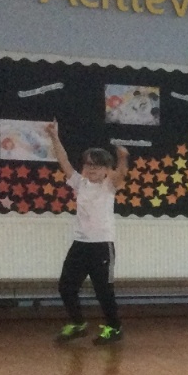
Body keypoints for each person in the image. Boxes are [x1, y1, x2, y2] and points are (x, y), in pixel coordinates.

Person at [46, 122, 127, 345]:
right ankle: (78, 324)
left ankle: (114, 328)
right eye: (89, 164)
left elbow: (121, 174)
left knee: (103, 291)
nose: (92, 169)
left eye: (97, 166)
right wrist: (54, 136)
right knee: (66, 287)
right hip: (80, 245)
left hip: (102, 246)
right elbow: (63, 161)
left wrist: (122, 158)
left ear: (106, 169)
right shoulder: (80, 183)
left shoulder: (109, 186)